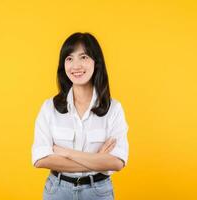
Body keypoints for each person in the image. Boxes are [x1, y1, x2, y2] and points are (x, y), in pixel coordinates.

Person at [31, 32, 129, 200]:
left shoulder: (114, 109)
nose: (76, 66)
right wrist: (98, 160)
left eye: (83, 57)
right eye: (69, 58)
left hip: (98, 192)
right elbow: (40, 159)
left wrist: (66, 153)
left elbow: (117, 162)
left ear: (96, 63)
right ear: (63, 65)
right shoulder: (49, 108)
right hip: (57, 191)